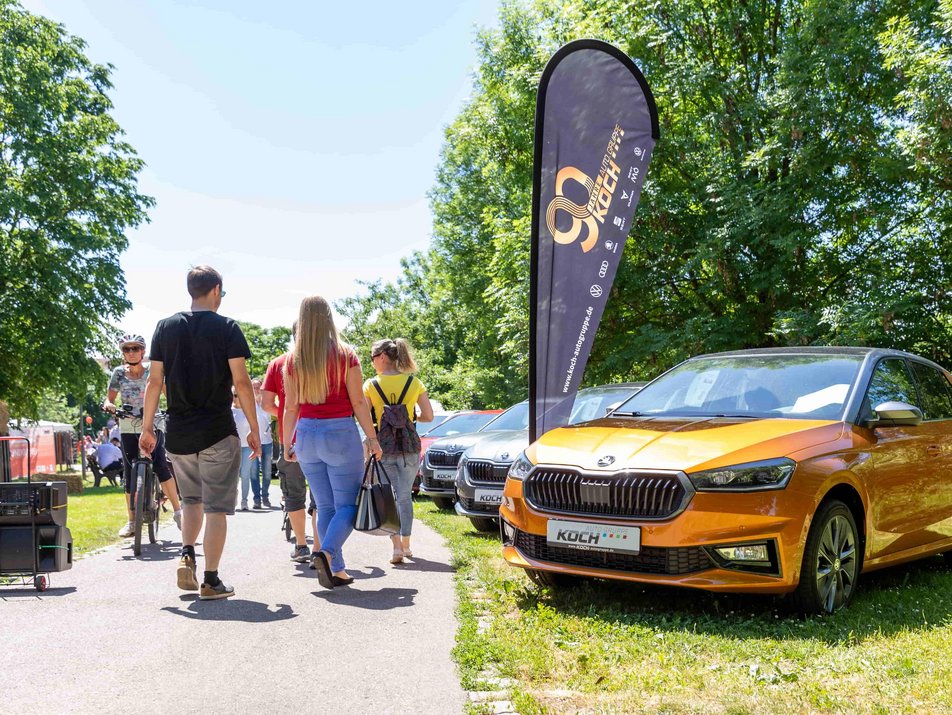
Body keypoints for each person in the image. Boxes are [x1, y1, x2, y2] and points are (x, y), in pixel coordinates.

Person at [140, 265, 260, 601]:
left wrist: (147, 428)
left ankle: (187, 553)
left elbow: (154, 382)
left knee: (192, 501)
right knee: (216, 508)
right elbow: (240, 382)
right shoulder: (228, 328)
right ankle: (210, 580)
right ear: (217, 289)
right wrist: (252, 426)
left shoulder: (165, 327)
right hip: (217, 431)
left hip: (177, 433)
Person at [282, 295, 381, 589]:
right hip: (339, 433)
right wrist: (372, 438)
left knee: (325, 506)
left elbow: (290, 408)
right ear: (328, 318)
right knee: (348, 506)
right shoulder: (345, 354)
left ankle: (336, 569)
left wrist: (288, 443)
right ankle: (325, 553)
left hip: (306, 435)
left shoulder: (292, 360)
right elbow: (359, 402)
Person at [102, 333, 183, 536]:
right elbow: (109, 399)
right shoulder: (118, 373)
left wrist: (175, 408)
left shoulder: (152, 371)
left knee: (161, 466)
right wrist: (109, 406)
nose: (131, 352)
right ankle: (131, 521)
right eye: (127, 349)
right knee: (129, 474)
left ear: (143, 351)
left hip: (153, 423)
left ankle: (178, 512)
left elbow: (167, 393)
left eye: (135, 348)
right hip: (128, 425)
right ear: (123, 353)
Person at [364, 338, 433, 563]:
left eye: (373, 358)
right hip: (409, 445)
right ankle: (407, 545)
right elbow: (429, 416)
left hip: (383, 447)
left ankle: (395, 548)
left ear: (383, 357)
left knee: (389, 497)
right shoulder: (414, 383)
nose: (372, 362)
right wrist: (409, 418)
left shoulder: (370, 385)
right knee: (404, 497)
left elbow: (364, 417)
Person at [261, 322, 318, 562]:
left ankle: (302, 545)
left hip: (290, 438)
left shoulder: (278, 363)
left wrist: (283, 411)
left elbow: (266, 405)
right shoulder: (322, 364)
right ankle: (321, 549)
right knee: (320, 495)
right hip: (319, 436)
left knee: (293, 494)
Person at [231, 388, 273, 510]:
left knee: (245, 475)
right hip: (233, 447)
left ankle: (244, 501)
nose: (236, 397)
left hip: (247, 447)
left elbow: (255, 426)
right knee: (233, 476)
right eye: (234, 395)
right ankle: (233, 498)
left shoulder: (248, 410)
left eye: (238, 395)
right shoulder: (229, 411)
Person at [251, 378, 274, 507]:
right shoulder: (248, 404)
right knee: (253, 472)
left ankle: (265, 496)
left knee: (266, 472)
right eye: (254, 387)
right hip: (254, 441)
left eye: (258, 387)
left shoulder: (266, 403)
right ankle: (256, 498)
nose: (256, 390)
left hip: (267, 441)